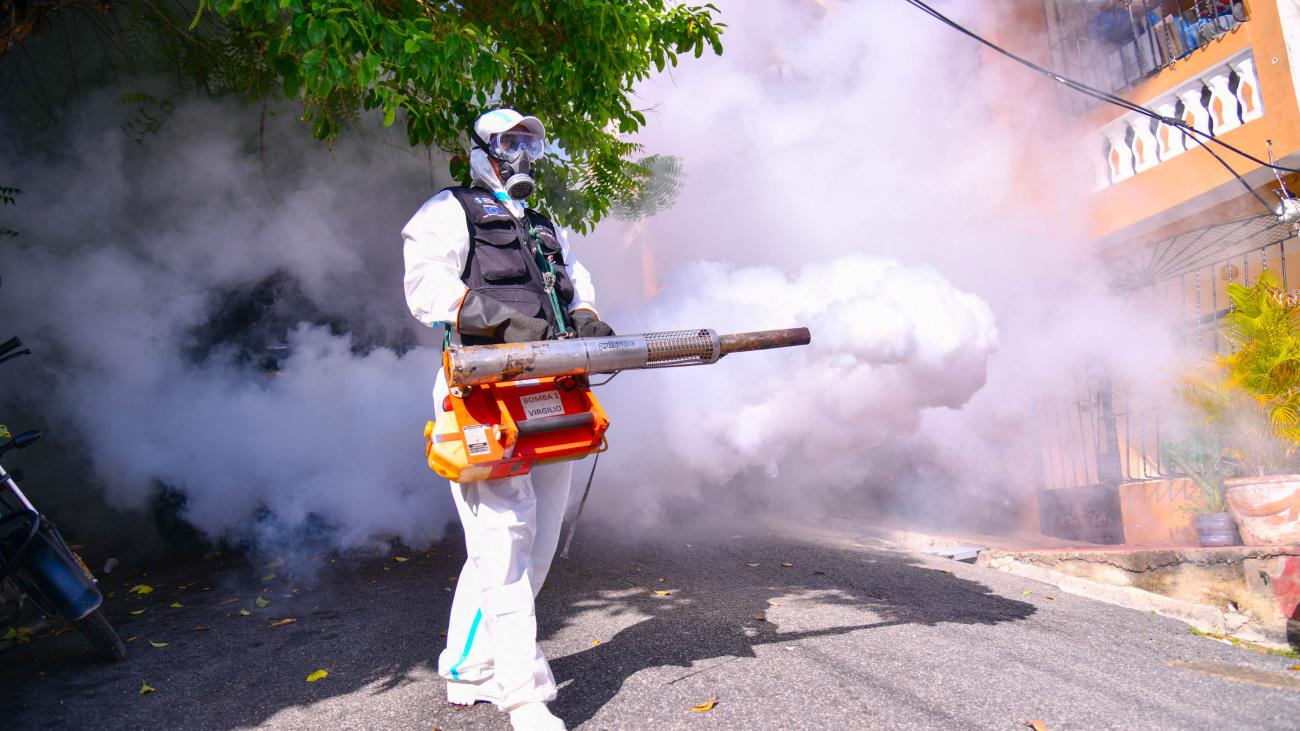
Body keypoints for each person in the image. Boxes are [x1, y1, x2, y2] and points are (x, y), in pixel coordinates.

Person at [401, 108, 613, 731]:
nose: (520, 152)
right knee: (504, 537)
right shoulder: (448, 210)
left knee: (536, 541)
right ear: (480, 149)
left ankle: (469, 667)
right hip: (482, 392)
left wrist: (588, 317)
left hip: (550, 391)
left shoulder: (544, 222)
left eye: (529, 142)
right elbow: (425, 289)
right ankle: (524, 696)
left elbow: (576, 282)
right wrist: (500, 321)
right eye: (507, 140)